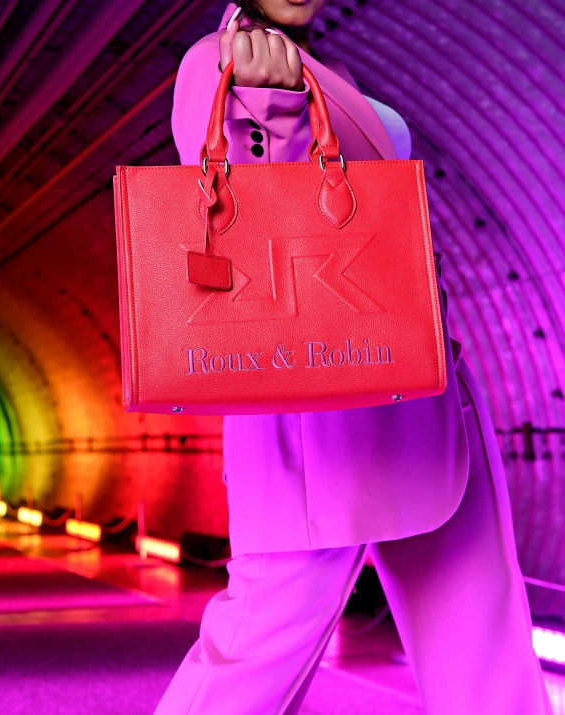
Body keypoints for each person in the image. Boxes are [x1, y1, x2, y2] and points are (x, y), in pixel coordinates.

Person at [154, 1, 554, 713]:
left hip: (424, 397)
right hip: (314, 423)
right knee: (254, 650)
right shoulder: (218, 64)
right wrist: (271, 110)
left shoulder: (329, 68)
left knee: (484, 652)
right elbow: (238, 219)